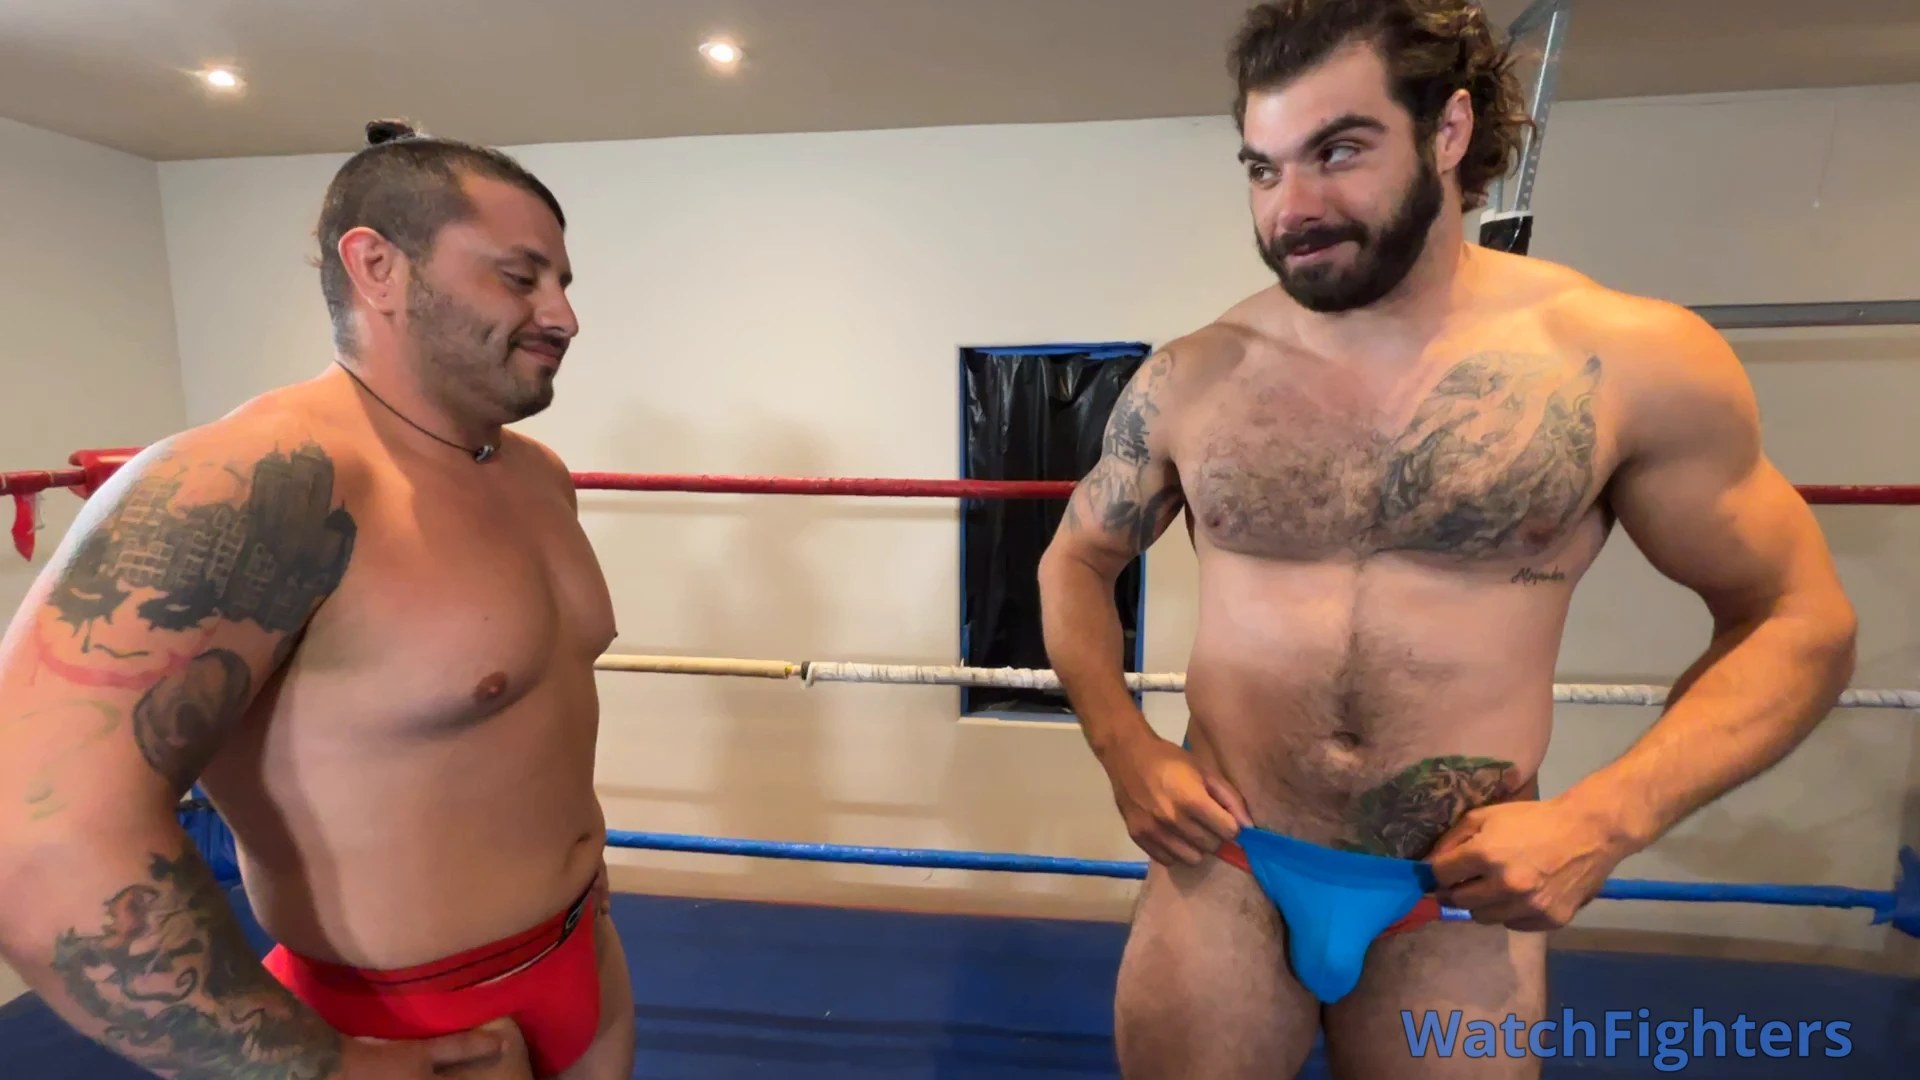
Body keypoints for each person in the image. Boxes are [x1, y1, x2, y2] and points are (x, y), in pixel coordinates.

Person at [1035, 2, 1858, 1078]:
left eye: (1339, 151)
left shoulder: (1626, 360)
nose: (1293, 207)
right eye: (1264, 168)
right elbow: (1075, 562)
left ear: (1449, 130)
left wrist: (1604, 821)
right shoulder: (1195, 375)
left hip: (1456, 894)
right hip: (1227, 863)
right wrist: (1122, 745)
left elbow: (1801, 623)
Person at [0, 120, 635, 1079]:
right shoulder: (249, 484)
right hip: (396, 1026)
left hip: (582, 955)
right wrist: (311, 1068)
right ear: (377, 267)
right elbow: (34, 836)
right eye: (520, 277)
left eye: (563, 283)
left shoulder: (535, 473)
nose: (563, 316)